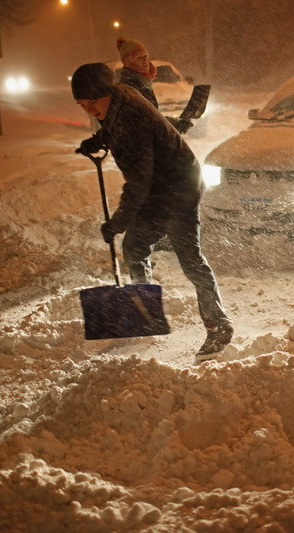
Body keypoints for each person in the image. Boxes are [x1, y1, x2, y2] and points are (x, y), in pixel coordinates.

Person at [71, 62, 233, 360]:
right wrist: (96, 141)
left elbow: (139, 180)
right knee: (135, 246)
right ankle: (141, 312)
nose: (89, 109)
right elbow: (112, 128)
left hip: (179, 187)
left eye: (92, 101)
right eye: (83, 104)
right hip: (162, 187)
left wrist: (119, 221)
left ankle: (219, 325)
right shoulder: (117, 100)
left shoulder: (130, 114)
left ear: (106, 92)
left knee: (190, 260)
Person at [115, 36, 193, 134]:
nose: (145, 61)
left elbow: (152, 117)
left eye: (145, 56)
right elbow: (146, 122)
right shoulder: (130, 88)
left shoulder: (142, 82)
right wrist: (174, 125)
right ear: (129, 62)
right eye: (139, 58)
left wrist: (174, 124)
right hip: (142, 147)